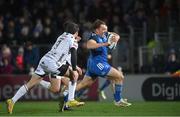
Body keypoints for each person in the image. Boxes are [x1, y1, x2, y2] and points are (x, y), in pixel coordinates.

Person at [6, 21, 83, 114]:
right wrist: (74, 69)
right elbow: (73, 53)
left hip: (44, 60)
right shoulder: (71, 39)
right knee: (74, 75)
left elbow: (67, 52)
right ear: (75, 32)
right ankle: (70, 99)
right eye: (77, 32)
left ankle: (12, 100)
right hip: (53, 64)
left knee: (33, 84)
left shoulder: (62, 36)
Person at [61, 19, 131, 111]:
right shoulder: (93, 37)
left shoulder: (104, 34)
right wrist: (106, 43)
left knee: (84, 84)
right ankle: (118, 100)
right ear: (97, 30)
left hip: (93, 64)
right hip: (98, 64)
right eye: (103, 29)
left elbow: (116, 35)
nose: (105, 31)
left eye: (106, 29)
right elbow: (89, 45)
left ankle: (67, 95)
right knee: (119, 76)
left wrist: (116, 38)